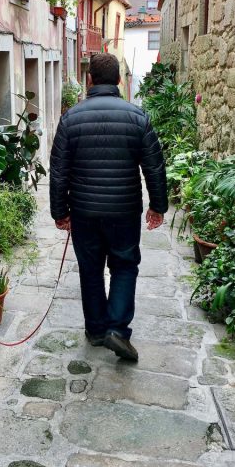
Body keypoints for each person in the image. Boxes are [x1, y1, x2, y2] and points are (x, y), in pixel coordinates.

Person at [49, 53, 168, 361]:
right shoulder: (137, 117)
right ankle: (117, 329)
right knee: (125, 266)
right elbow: (154, 167)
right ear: (118, 80)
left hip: (85, 211)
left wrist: (59, 211)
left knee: (90, 270)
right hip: (124, 211)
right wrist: (157, 205)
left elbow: (59, 169)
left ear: (89, 79)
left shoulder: (70, 118)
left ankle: (97, 330)